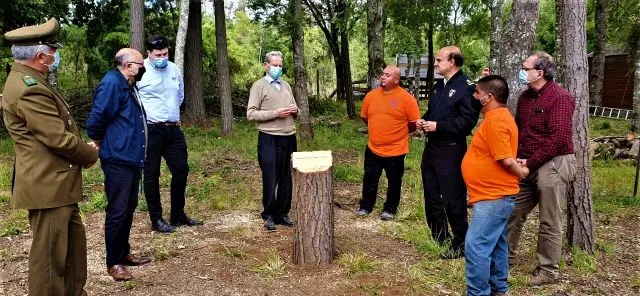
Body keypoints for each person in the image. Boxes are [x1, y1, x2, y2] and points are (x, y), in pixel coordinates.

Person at [1, 18, 98, 295]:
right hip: (48, 185)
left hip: (57, 185)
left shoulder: (32, 80)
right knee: (50, 259)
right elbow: (57, 137)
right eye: (53, 51)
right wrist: (88, 154)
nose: (55, 56)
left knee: (72, 254)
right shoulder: (29, 88)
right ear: (41, 55)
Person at [506, 51, 576, 286]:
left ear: (540, 72)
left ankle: (548, 270)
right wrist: (517, 159)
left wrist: (531, 162)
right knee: (512, 210)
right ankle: (504, 258)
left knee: (549, 219)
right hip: (526, 162)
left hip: (553, 162)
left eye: (525, 68)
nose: (522, 71)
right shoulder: (525, 97)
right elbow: (519, 130)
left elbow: (558, 138)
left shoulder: (560, 97)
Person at [87, 48, 152, 281]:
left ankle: (123, 253)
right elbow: (96, 119)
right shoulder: (112, 84)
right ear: (128, 66)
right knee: (117, 210)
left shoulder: (127, 84)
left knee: (128, 208)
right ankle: (113, 261)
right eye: (140, 64)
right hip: (118, 159)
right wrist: (100, 141)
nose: (142, 67)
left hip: (131, 158)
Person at [461, 75, 528, 296]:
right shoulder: (496, 118)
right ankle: (499, 288)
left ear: (488, 97)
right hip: (491, 195)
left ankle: (478, 292)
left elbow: (506, 160)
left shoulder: (497, 120)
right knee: (497, 243)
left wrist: (521, 172)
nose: (474, 96)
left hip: (494, 197)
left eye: (477, 93)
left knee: (476, 245)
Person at [416, 46, 479, 259]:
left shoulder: (466, 87)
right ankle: (440, 237)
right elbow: (434, 112)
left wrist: (439, 126)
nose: (435, 63)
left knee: (453, 198)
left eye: (439, 60)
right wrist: (424, 121)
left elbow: (467, 121)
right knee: (432, 194)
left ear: (452, 61)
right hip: (431, 149)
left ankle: (461, 241)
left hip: (451, 151)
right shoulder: (439, 86)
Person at [138, 35, 202, 233]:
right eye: (158, 54)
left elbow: (180, 95)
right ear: (149, 53)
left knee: (181, 169)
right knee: (151, 175)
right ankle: (156, 219)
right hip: (151, 129)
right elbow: (134, 98)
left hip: (173, 128)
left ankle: (178, 214)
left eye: (165, 53)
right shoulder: (141, 70)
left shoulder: (174, 69)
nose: (162, 57)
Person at [357, 66, 421, 221]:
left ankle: (390, 209)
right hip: (373, 147)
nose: (383, 77)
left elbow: (414, 123)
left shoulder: (406, 99)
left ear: (396, 80)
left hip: (396, 150)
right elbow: (365, 118)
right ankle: (366, 206)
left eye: (387, 75)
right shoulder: (371, 96)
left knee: (394, 181)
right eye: (382, 74)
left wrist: (397, 134)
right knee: (370, 177)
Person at [247, 51, 299, 231]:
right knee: (271, 177)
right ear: (266, 65)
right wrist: (275, 113)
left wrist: (295, 110)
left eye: (280, 65)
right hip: (269, 137)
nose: (278, 68)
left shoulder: (286, 86)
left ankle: (283, 213)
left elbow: (294, 108)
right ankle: (268, 214)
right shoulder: (258, 86)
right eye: (274, 65)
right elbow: (251, 114)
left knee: (287, 178)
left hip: (289, 136)